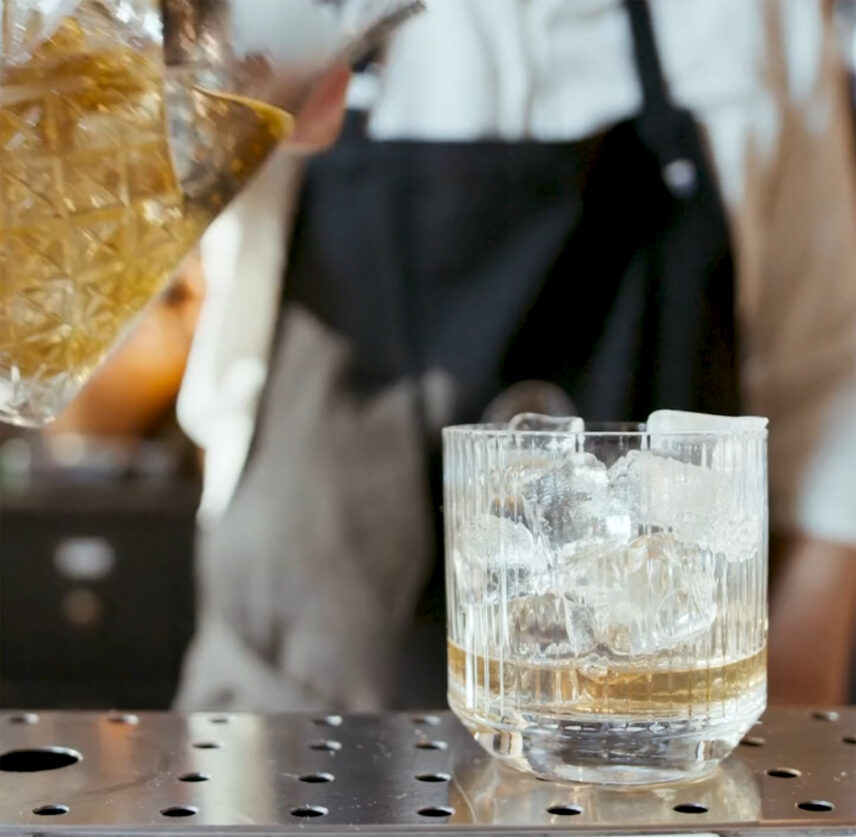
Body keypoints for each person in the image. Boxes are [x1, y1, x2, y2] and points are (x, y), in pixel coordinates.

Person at [172, 0, 856, 711]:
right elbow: (90, 227)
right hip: (293, 697)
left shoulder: (760, 17)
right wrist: (205, 84)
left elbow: (829, 378)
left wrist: (794, 709)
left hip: (645, 729)